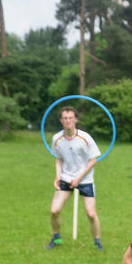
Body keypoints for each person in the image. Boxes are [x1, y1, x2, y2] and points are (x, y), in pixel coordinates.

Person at [46, 106, 104, 251]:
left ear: (76, 119)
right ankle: (56, 238)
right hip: (65, 178)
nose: (68, 121)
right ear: (61, 120)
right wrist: (58, 177)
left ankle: (97, 243)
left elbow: (93, 160)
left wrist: (79, 178)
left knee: (91, 214)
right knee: (54, 211)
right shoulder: (56, 138)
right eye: (65, 118)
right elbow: (58, 158)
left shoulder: (85, 138)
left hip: (85, 180)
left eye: (70, 118)